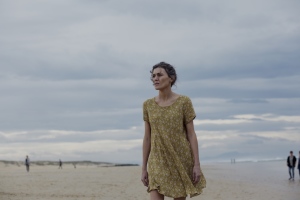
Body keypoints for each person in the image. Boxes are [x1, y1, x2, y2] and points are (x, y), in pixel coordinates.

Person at [141, 62, 206, 200]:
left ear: (171, 78)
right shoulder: (148, 105)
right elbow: (147, 137)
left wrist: (196, 165)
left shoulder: (184, 102)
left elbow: (191, 134)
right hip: (157, 160)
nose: (155, 79)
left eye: (159, 75)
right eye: (153, 76)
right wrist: (143, 168)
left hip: (180, 158)